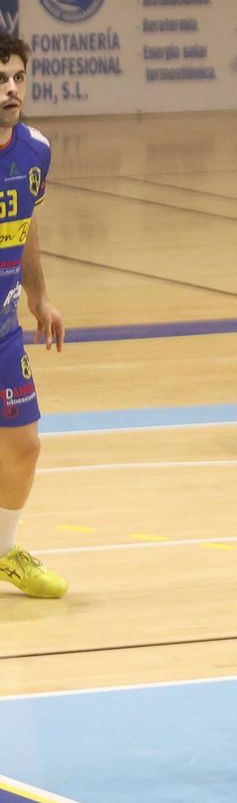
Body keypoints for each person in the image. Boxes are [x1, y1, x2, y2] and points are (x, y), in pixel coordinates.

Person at [0, 35, 67, 600]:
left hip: (2, 329)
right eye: (1, 79)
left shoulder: (35, 150)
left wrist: (38, 296)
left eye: (18, 77)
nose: (11, 89)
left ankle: (4, 553)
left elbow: (26, 223)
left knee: (23, 443)